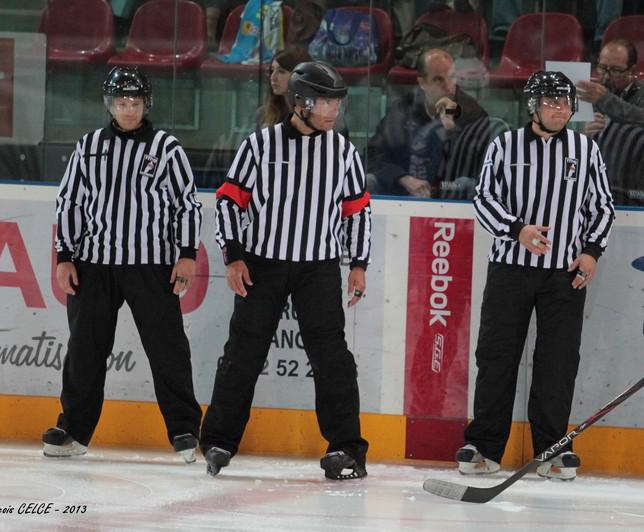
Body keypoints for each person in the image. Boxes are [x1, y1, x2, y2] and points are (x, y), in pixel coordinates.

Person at [199, 61, 371, 481]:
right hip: (263, 264)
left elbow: (357, 211)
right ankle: (218, 441)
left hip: (319, 267)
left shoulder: (343, 151)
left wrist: (359, 263)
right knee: (243, 352)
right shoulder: (261, 145)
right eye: (325, 101)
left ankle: (348, 449)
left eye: (336, 101)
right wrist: (233, 255)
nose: (333, 109)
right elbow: (227, 201)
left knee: (332, 359)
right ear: (299, 102)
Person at [458, 71, 615, 481]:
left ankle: (553, 448)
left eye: (565, 103)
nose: (560, 109)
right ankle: (484, 446)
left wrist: (591, 253)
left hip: (564, 275)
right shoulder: (505, 146)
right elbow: (484, 198)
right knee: (496, 357)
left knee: (558, 363)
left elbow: (602, 208)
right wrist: (518, 230)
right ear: (533, 106)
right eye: (551, 102)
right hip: (510, 269)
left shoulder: (585, 150)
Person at [42, 67, 204, 463]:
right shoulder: (90, 145)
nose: (128, 110)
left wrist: (186, 254)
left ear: (146, 104)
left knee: (167, 348)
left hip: (150, 264)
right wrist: (65, 256)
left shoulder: (167, 148)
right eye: (121, 102)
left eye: (135, 103)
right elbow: (70, 202)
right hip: (94, 264)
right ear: (109, 104)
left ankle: (184, 429)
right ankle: (75, 430)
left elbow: (186, 203)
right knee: (85, 349)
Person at [367, 48, 487, 196]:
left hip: (452, 196)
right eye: (438, 79)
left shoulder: (472, 113)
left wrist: (452, 134)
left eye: (452, 77)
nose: (448, 86)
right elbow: (373, 155)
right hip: (404, 194)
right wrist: (402, 178)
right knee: (369, 181)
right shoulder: (403, 109)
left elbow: (482, 168)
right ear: (422, 83)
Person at [577, 38, 644, 136]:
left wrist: (605, 99)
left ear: (632, 71)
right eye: (602, 68)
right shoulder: (589, 93)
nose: (606, 76)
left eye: (615, 70)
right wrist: (584, 135)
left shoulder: (641, 92)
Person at [256, 48, 313, 127]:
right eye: (272, 71)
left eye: (281, 71)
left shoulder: (322, 114)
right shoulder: (264, 114)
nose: (273, 78)